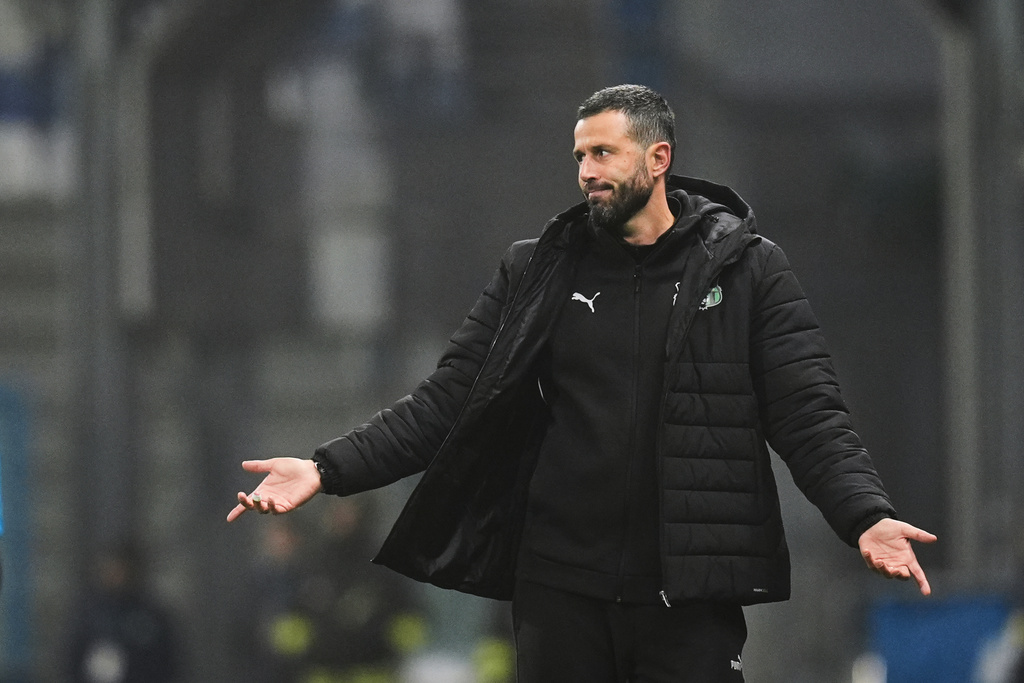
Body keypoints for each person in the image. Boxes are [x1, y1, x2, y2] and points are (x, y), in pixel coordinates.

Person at [228, 84, 936, 682]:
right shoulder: (537, 271)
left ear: (658, 159)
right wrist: (326, 467)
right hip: (559, 587)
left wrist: (863, 513)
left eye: (603, 153)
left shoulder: (748, 271)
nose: (586, 171)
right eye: (579, 156)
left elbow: (807, 411)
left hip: (684, 593)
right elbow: (447, 400)